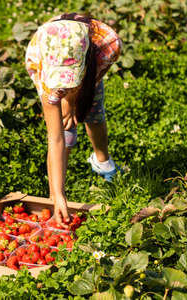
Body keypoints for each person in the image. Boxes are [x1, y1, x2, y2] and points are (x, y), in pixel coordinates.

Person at [25, 13, 123, 227]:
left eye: (70, 81)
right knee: (63, 131)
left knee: (94, 113)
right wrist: (59, 195)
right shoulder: (41, 67)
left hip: (90, 65)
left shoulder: (108, 46)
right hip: (54, 58)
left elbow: (91, 79)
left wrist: (74, 101)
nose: (65, 88)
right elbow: (55, 139)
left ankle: (103, 162)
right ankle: (55, 196)